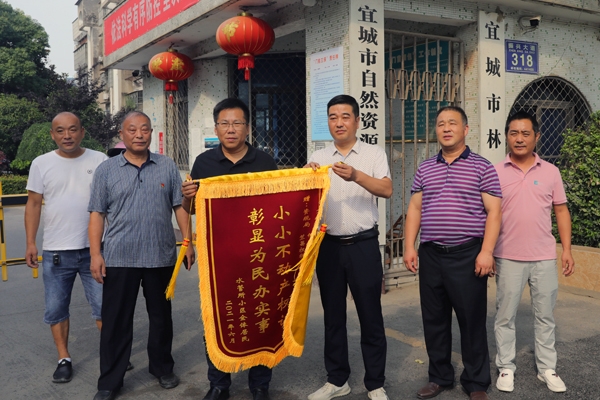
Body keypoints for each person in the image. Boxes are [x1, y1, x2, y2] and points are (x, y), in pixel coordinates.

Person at [88, 111, 195, 400]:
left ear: (151, 133)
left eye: (145, 129)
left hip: (160, 255)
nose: (139, 134)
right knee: (115, 321)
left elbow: (179, 206)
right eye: (132, 130)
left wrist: (188, 242)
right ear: (121, 135)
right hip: (119, 257)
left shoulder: (166, 165)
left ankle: (162, 367)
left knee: (161, 317)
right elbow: (96, 214)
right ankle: (110, 380)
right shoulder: (106, 170)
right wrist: (96, 254)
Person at [181, 98, 278, 400]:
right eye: (224, 123)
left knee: (260, 317)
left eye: (237, 123)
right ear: (216, 128)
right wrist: (187, 196)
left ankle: (259, 384)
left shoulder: (265, 162)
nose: (231, 129)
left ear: (248, 128)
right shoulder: (204, 163)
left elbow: (278, 206)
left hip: (258, 255)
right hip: (218, 258)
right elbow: (191, 208)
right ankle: (219, 383)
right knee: (218, 318)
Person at [404, 106, 502, 400]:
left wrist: (487, 251)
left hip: (467, 254)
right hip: (431, 254)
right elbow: (415, 208)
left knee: (471, 320)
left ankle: (476, 382)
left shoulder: (482, 167)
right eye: (440, 124)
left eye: (452, 123)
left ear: (465, 129)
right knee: (434, 319)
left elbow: (494, 211)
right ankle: (439, 377)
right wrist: (409, 246)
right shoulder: (425, 168)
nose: (446, 128)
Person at [304, 94, 392, 400]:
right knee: (333, 317)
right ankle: (337, 379)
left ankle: (375, 383)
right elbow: (305, 202)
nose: (339, 122)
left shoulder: (373, 153)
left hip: (363, 245)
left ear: (357, 121)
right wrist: (307, 179)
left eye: (345, 116)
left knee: (370, 315)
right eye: (333, 117)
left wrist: (355, 175)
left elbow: (387, 189)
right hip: (328, 247)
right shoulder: (318, 157)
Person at [493, 112, 574, 394]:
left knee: (545, 316)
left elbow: (561, 211)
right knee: (505, 316)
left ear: (536, 137)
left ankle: (547, 368)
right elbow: (487, 216)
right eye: (514, 133)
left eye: (525, 133)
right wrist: (487, 251)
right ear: (506, 136)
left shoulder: (551, 172)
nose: (519, 139)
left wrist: (567, 250)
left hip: (544, 257)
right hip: (507, 256)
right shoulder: (495, 172)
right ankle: (506, 366)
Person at [24, 112, 108, 384]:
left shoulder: (99, 160)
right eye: (60, 131)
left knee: (104, 306)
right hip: (56, 252)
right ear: (52, 135)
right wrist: (30, 242)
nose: (67, 135)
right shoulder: (41, 163)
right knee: (56, 308)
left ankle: (112, 352)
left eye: (73, 129)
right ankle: (64, 358)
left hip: (95, 250)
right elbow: (33, 204)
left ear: (82, 132)